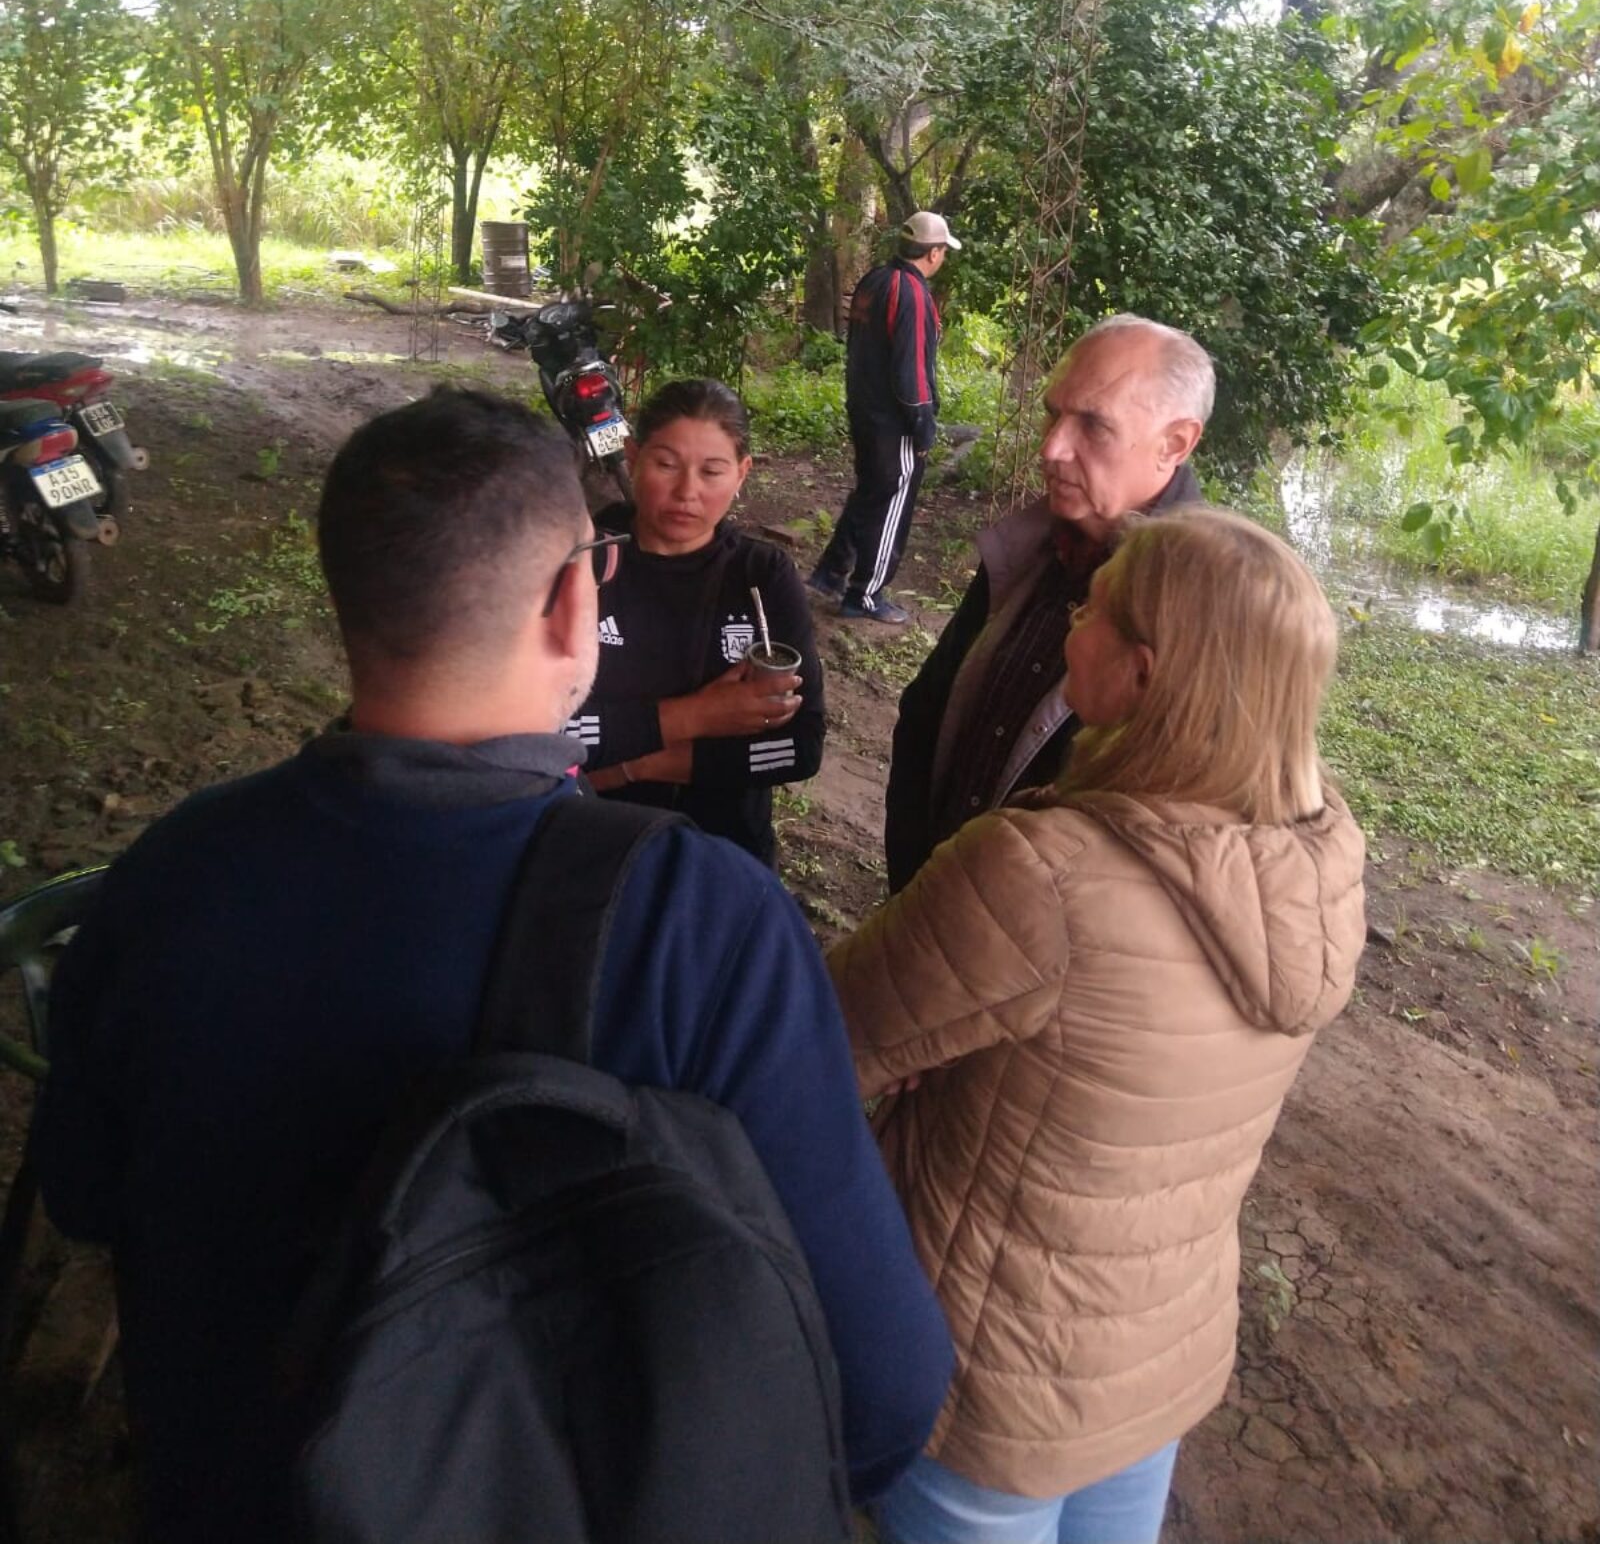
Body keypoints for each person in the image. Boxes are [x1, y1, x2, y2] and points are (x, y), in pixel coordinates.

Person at [35, 388, 952, 1544]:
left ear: (349, 601)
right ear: (577, 599)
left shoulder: (170, 870)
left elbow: (82, 1186)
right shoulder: (696, 921)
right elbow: (879, 1389)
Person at [829, 508, 1367, 1544]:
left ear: (1144, 673)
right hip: (1155, 1360)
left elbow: (827, 1037)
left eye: (1091, 607)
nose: (1069, 625)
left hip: (993, 1380)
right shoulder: (1319, 861)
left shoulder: (1045, 875)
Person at [884, 313, 1211, 893]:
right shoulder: (1035, 545)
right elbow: (928, 713)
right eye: (1053, 414)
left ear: (1175, 443)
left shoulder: (1207, 606)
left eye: (1093, 425)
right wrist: (916, 882)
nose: (1052, 447)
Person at [569, 377, 823, 867]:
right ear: (633, 455)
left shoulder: (761, 577)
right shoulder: (583, 563)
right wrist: (700, 716)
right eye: (666, 464)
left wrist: (635, 762)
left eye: (712, 471)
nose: (687, 491)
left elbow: (799, 747)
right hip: (589, 843)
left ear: (742, 473)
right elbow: (549, 733)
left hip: (723, 854)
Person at [809, 209, 959, 625]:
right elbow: (910, 369)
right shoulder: (911, 293)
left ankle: (831, 572)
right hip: (893, 421)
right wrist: (923, 423)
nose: (943, 258)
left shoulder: (875, 280)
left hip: (864, 408)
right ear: (932, 253)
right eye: (943, 251)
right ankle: (867, 593)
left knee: (870, 492)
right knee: (892, 499)